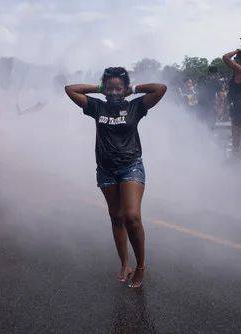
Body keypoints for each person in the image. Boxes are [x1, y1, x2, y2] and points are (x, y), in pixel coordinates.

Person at [65, 67, 167, 288]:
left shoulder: (135, 106)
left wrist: (134, 90)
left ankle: (140, 266)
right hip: (106, 169)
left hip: (130, 166)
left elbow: (160, 89)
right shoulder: (96, 106)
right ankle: (124, 263)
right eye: (109, 88)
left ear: (124, 89)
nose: (113, 92)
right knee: (116, 217)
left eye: (118, 88)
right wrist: (99, 89)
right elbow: (70, 89)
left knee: (132, 217)